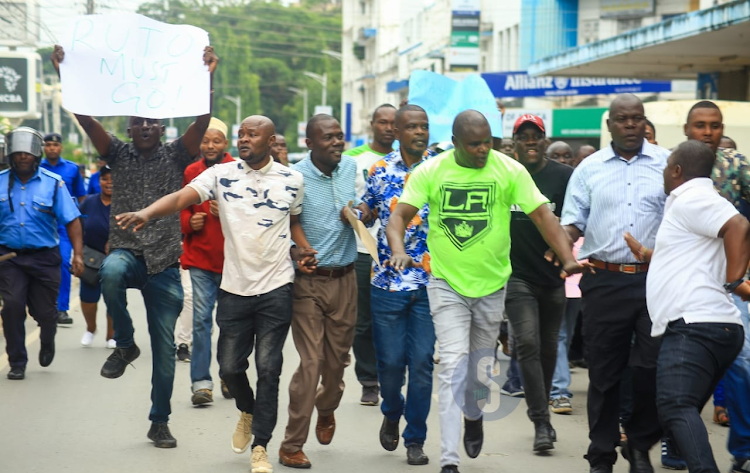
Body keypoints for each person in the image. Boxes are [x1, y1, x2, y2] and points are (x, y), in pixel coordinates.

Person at [387, 110, 588, 473]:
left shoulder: (508, 170)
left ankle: (475, 414)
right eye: (474, 145)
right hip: (446, 281)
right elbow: (399, 216)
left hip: (493, 284)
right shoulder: (431, 171)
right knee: (450, 364)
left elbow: (543, 215)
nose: (483, 150)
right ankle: (449, 459)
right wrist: (399, 250)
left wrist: (566, 257)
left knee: (480, 369)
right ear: (455, 143)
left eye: (487, 143)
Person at [115, 114, 313, 473]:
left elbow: (293, 220)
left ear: (270, 142)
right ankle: (248, 410)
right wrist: (147, 212)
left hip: (277, 287)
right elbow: (179, 198)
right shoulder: (222, 174)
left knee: (269, 368)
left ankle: (261, 447)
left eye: (252, 135)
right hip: (234, 288)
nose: (244, 140)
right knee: (229, 368)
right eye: (241, 134)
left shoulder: (292, 179)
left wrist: (302, 250)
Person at [50, 44, 219, 448]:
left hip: (164, 265)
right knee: (109, 270)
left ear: (162, 128)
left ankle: (159, 421)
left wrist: (207, 74)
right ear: (127, 129)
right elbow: (85, 118)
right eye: (137, 122)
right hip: (126, 253)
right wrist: (65, 73)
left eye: (152, 122)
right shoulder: (117, 154)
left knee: (164, 354)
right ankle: (124, 343)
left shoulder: (178, 155)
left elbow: (202, 118)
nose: (144, 126)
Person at [625, 140, 750, 473]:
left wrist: (735, 279)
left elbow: (738, 226)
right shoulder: (691, 201)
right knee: (679, 405)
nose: (664, 174)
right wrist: (652, 255)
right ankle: (638, 447)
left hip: (695, 326)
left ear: (677, 171)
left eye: (667, 168)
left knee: (675, 404)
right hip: (714, 326)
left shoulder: (693, 198)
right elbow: (693, 253)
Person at [560, 94, 671, 473]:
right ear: (609, 124)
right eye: (622, 119)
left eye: (636, 118)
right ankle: (602, 453)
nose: (630, 125)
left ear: (644, 122)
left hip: (655, 282)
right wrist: (558, 248)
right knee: (605, 374)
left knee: (652, 369)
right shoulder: (589, 169)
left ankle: (639, 445)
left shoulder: (666, 164)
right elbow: (573, 221)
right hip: (604, 280)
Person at [279, 114, 371, 469]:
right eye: (329, 137)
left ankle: (327, 407)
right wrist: (298, 249)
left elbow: (365, 207)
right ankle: (291, 444)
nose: (337, 142)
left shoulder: (351, 169)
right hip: (309, 282)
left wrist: (363, 210)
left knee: (336, 366)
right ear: (310, 142)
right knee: (311, 363)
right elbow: (288, 221)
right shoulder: (295, 176)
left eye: (340, 136)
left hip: (347, 279)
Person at [363, 104, 434, 465]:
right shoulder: (379, 170)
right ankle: (392, 410)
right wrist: (357, 213)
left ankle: (415, 438)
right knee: (390, 364)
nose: (419, 132)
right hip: (387, 281)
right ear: (398, 132)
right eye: (412, 127)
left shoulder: (442, 167)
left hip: (431, 282)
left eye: (424, 126)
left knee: (421, 363)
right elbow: (367, 212)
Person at [683, 100, 750, 473]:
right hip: (680, 283)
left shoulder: (737, 166)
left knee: (741, 364)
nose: (707, 132)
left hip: (728, 284)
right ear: (687, 129)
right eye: (700, 125)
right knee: (676, 366)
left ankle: (742, 450)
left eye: (714, 126)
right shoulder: (671, 167)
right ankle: (674, 443)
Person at [505, 114, 573, 451]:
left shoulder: (563, 176)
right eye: (524, 136)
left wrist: (566, 237)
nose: (530, 141)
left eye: (536, 136)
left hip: (553, 276)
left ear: (544, 141)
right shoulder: (505, 174)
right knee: (528, 343)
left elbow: (577, 217)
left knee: (548, 348)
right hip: (515, 275)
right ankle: (541, 422)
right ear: (515, 142)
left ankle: (542, 404)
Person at [0, 127, 84, 380]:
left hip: (45, 258)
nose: (23, 157)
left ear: (36, 155)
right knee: (12, 306)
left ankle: (47, 339)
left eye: (28, 153)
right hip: (10, 258)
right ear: (11, 155)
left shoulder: (53, 184)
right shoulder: (1, 181)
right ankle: (17, 361)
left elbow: (72, 221)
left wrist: (78, 255)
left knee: (46, 314)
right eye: (18, 153)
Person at [180, 117, 235, 406]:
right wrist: (191, 222)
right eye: (205, 140)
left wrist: (225, 211)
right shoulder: (191, 170)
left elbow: (250, 215)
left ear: (226, 143)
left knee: (229, 323)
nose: (210, 145)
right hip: (200, 259)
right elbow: (181, 211)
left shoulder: (239, 170)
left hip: (233, 262)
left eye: (216, 140)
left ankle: (229, 374)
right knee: (201, 321)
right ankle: (202, 383)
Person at [343, 103, 396, 406]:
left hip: (397, 253)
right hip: (363, 250)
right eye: (382, 122)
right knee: (362, 321)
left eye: (393, 123)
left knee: (390, 319)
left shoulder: (409, 161)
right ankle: (369, 380)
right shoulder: (353, 159)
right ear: (372, 124)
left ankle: (391, 375)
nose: (388, 128)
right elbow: (344, 197)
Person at [40, 132, 86, 326]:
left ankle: (61, 309)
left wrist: (83, 225)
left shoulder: (72, 169)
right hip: (42, 223)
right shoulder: (36, 167)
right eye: (48, 145)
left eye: (55, 145)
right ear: (44, 147)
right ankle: (42, 306)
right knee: (39, 264)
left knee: (63, 264)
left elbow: (81, 198)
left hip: (64, 224)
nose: (52, 148)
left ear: (61, 148)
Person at [79, 165, 115, 348]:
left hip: (116, 257)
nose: (109, 182)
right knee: (88, 297)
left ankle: (111, 335)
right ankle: (90, 328)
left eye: (113, 178)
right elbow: (77, 225)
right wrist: (77, 253)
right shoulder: (89, 202)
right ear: (99, 181)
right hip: (91, 256)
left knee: (113, 297)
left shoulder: (125, 202)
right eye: (104, 178)